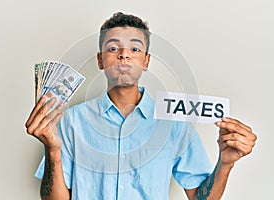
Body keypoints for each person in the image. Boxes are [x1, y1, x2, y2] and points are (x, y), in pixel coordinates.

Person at [25, 12, 257, 200]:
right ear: (100, 60)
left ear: (146, 61)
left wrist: (225, 164)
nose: (124, 55)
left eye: (135, 49)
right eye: (113, 48)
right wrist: (52, 150)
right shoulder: (70, 121)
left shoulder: (174, 122)